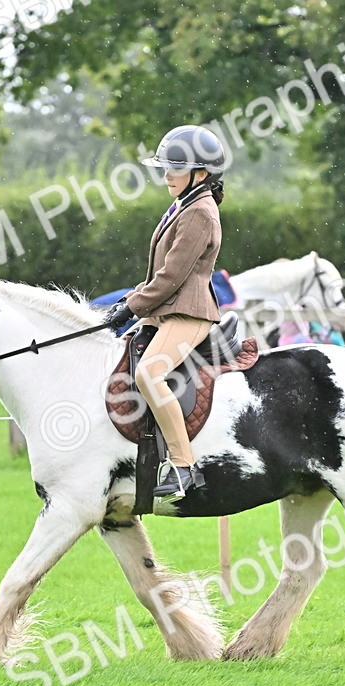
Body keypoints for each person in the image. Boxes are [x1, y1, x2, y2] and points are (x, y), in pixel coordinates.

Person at [102, 125, 228, 499]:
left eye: (175, 168)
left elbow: (172, 277)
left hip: (188, 313)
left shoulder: (200, 212)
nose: (167, 175)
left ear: (201, 174)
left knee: (150, 374)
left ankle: (184, 467)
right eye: (166, 168)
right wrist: (127, 302)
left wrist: (132, 306)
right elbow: (158, 275)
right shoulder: (184, 204)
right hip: (166, 309)